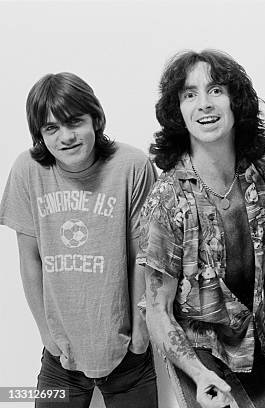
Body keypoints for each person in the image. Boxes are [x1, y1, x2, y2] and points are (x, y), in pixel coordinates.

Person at [137, 49, 265, 408]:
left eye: (215, 90)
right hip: (198, 346)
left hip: (261, 337)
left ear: (234, 101)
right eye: (189, 95)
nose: (204, 104)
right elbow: (157, 308)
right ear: (178, 111)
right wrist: (198, 374)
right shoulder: (168, 198)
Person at [0, 72, 158, 407]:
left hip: (128, 354)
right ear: (40, 135)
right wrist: (47, 335)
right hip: (61, 358)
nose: (66, 137)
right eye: (51, 128)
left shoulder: (132, 166)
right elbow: (30, 259)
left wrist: (140, 334)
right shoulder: (28, 171)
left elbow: (141, 255)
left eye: (74, 122)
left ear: (96, 120)